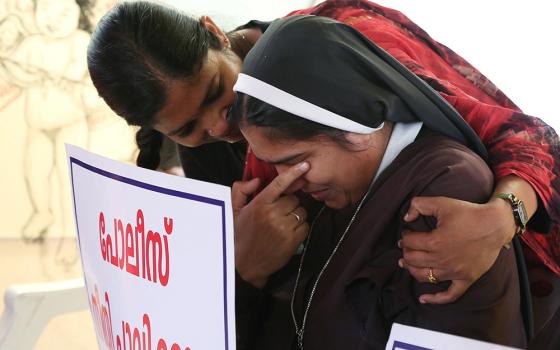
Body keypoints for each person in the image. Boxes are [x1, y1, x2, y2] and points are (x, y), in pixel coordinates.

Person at [87, 0, 560, 308]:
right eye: (188, 128)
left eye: (215, 90)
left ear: (214, 32)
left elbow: (526, 137)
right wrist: (241, 266)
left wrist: (503, 216)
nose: (219, 125)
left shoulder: (343, 44)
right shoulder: (211, 159)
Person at [229, 15, 525, 349]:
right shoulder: (331, 190)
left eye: (294, 161)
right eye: (274, 166)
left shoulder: (446, 190)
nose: (289, 182)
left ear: (349, 124)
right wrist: (243, 267)